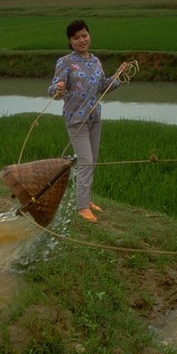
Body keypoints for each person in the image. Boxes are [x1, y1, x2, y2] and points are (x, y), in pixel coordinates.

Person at [48, 19, 129, 223]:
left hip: (95, 118)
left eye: (84, 35)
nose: (82, 40)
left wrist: (118, 76)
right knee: (86, 160)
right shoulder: (65, 62)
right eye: (76, 38)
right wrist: (57, 90)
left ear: (89, 35)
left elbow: (102, 87)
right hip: (76, 119)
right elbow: (53, 90)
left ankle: (87, 199)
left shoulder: (95, 61)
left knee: (92, 160)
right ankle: (82, 207)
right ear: (70, 41)